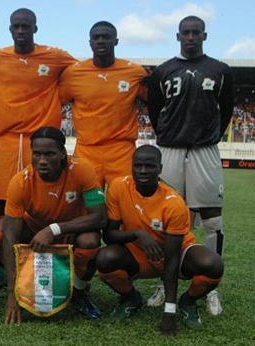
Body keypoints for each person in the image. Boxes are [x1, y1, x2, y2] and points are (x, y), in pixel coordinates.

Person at [0, 8, 76, 291]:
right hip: (8, 143)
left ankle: (58, 268)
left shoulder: (55, 57)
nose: (21, 31)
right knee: (0, 206)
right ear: (10, 30)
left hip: (43, 145)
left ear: (35, 28)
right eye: (16, 26)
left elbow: (85, 72)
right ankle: (1, 272)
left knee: (52, 204)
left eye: (26, 26)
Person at [147, 16, 234, 315]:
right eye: (186, 33)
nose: (191, 37)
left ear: (204, 36)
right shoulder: (163, 71)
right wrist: (170, 136)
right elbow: (154, 109)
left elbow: (227, 110)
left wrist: (207, 136)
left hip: (205, 150)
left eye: (196, 32)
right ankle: (163, 282)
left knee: (211, 217)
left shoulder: (220, 70)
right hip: (170, 149)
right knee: (166, 216)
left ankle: (211, 285)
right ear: (178, 36)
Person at [97, 145, 224, 335]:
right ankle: (131, 298)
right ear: (131, 167)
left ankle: (187, 302)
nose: (143, 171)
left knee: (212, 264)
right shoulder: (118, 187)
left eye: (149, 166)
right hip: (138, 253)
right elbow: (108, 236)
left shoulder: (174, 201)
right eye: (138, 165)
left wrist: (169, 313)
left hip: (174, 253)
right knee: (105, 258)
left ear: (160, 169)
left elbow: (171, 260)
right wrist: (138, 234)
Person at [2, 127, 107, 324]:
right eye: (37, 154)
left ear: (62, 154)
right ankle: (21, 285)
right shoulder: (20, 182)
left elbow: (100, 218)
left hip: (70, 233)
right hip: (35, 234)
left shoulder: (81, 169)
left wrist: (54, 229)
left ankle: (79, 290)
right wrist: (11, 292)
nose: (42, 160)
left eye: (49, 154)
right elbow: (9, 235)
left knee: (91, 239)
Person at [59, 21, 148, 187]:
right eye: (96, 37)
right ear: (90, 42)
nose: (101, 41)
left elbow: (152, 101)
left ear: (116, 41)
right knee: (86, 204)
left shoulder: (135, 72)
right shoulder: (73, 73)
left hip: (121, 150)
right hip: (87, 150)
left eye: (106, 37)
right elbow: (55, 101)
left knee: (124, 202)